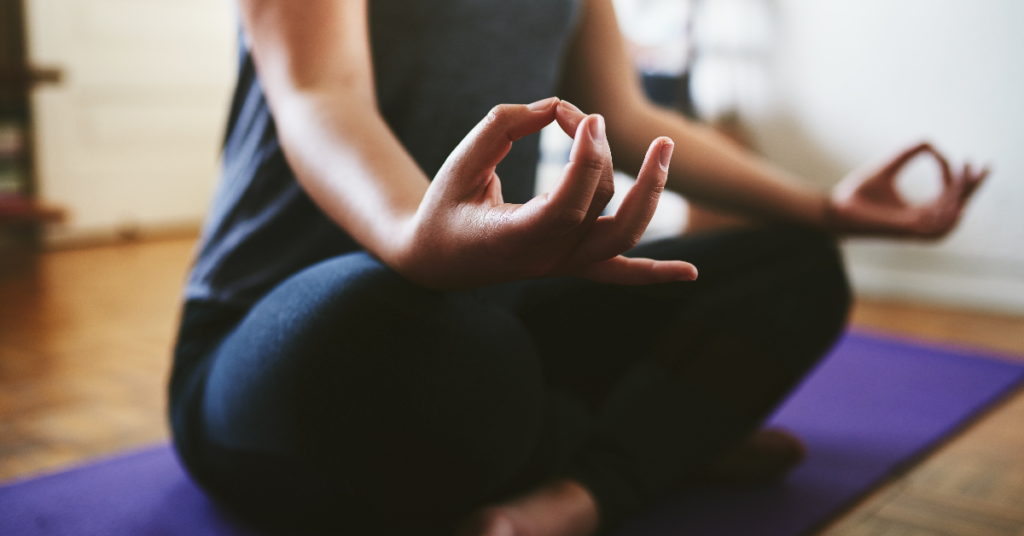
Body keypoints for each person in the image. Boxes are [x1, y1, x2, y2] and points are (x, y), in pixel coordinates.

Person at [168, 1, 987, 535]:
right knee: (378, 312)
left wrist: (826, 209)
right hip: (288, 346)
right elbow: (319, 93)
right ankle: (656, 429)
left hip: (488, 331)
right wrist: (421, 239)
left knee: (796, 265)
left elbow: (628, 118)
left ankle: (578, 493)